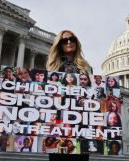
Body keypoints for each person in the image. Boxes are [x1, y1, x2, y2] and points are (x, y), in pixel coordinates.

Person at [46, 30, 92, 161]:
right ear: (59, 45)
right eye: (64, 40)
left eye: (72, 39)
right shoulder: (53, 67)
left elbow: (91, 93)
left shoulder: (86, 67)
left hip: (80, 121)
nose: (69, 42)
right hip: (60, 120)